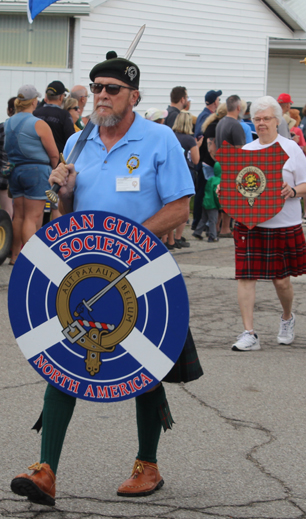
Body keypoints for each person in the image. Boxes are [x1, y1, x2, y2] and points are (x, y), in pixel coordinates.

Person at [10, 51, 203, 506]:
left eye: (111, 89)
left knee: (145, 368)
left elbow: (180, 208)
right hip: (87, 276)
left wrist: (125, 241)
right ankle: (45, 471)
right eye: (96, 88)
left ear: (133, 96)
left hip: (144, 271)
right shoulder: (79, 143)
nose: (101, 95)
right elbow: (67, 218)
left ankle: (146, 465)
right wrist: (65, 194)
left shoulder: (160, 140)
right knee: (64, 365)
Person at [230, 96, 306, 352]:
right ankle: (249, 333)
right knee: (246, 277)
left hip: (283, 224)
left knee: (282, 282)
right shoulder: (246, 151)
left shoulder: (291, 149)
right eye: (257, 119)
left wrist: (293, 191)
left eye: (266, 118)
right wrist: (228, 190)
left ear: (277, 120)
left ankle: (287, 318)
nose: (262, 123)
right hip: (250, 225)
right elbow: (239, 187)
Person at [4, 85, 59, 265]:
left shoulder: (8, 123)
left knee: (18, 215)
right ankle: (33, 259)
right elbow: (53, 154)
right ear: (34, 101)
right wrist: (53, 172)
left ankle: (15, 257)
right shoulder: (37, 123)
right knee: (32, 217)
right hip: (36, 171)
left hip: (15, 171)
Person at [166, 111, 203, 249]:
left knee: (170, 207)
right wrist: (197, 145)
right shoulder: (189, 139)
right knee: (183, 207)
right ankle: (178, 237)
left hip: (171, 173)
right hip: (187, 174)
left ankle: (168, 238)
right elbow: (195, 159)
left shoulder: (171, 136)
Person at [216, 95, 246, 236]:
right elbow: (240, 149)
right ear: (238, 108)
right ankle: (225, 229)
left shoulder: (220, 122)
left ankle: (217, 227)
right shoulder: (236, 125)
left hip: (221, 162)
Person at [192, 136, 221, 242]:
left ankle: (197, 232)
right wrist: (219, 205)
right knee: (213, 220)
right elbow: (216, 194)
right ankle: (212, 235)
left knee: (203, 219)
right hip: (213, 204)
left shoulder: (210, 179)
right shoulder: (219, 182)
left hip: (205, 202)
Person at [33, 81, 75, 153]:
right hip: (58, 158)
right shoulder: (64, 115)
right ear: (61, 97)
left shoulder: (35, 113)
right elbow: (71, 139)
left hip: (38, 156)